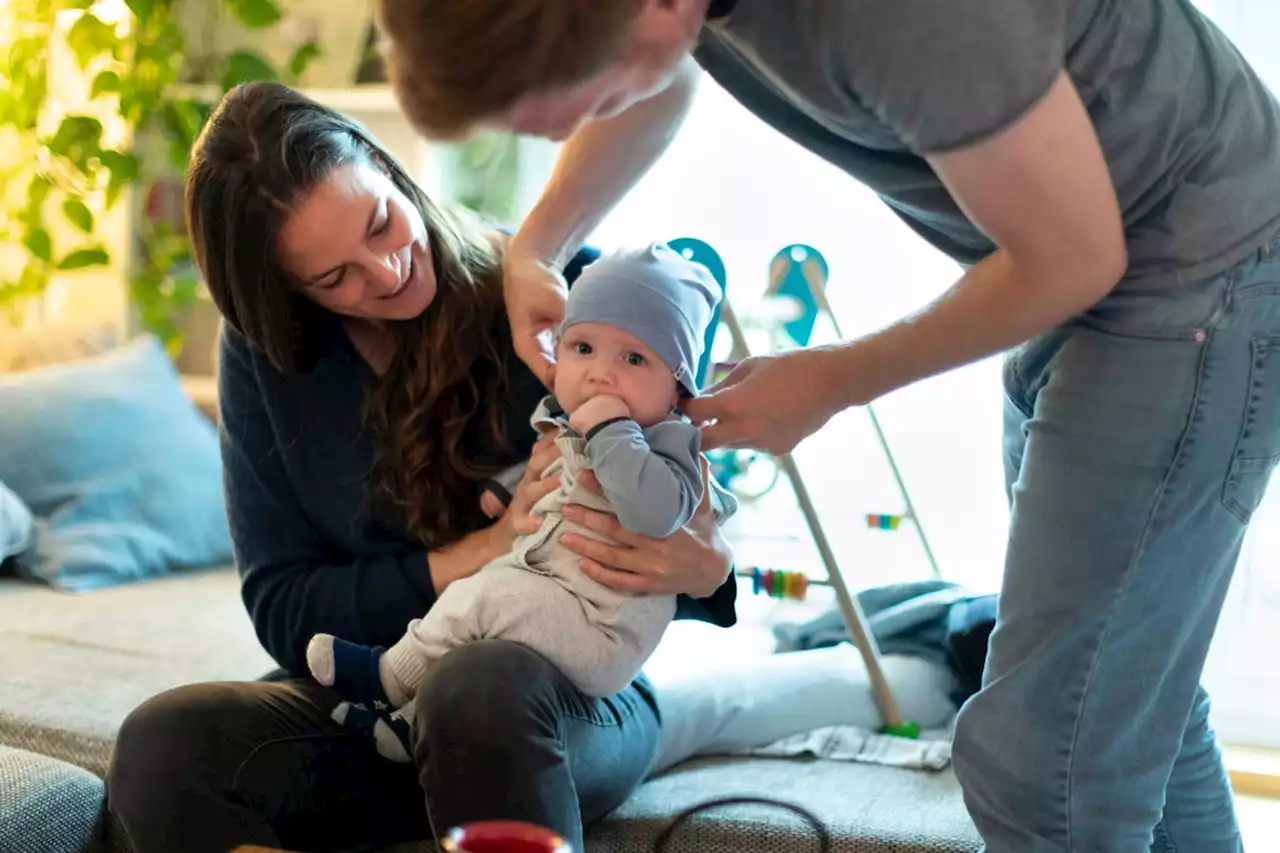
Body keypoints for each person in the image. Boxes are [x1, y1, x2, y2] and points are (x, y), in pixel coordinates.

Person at [372, 0, 1280, 850]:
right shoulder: (670, 16)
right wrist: (538, 243)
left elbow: (1074, 253)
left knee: (1047, 757)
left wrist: (832, 380)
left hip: (1187, 273)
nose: (560, 132)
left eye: (571, 101)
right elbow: (660, 71)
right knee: (1121, 695)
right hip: (1092, 279)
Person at [103, 81, 740, 853]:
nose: (386, 269)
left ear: (385, 164)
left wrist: (707, 567)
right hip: (375, 711)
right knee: (162, 744)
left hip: (549, 708)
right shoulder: (269, 360)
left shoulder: (560, 296)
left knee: (473, 687)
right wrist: (481, 551)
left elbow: (693, 519)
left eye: (380, 220)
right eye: (335, 277)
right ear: (285, 293)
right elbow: (284, 607)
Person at [305, 242, 735, 762]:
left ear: (675, 390)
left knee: (488, 597)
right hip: (552, 597)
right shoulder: (563, 423)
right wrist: (503, 491)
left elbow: (653, 510)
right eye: (583, 349)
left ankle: (388, 676)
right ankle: (408, 723)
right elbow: (549, 466)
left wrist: (611, 428)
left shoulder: (670, 444)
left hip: (601, 629)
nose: (601, 372)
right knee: (476, 625)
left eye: (635, 358)